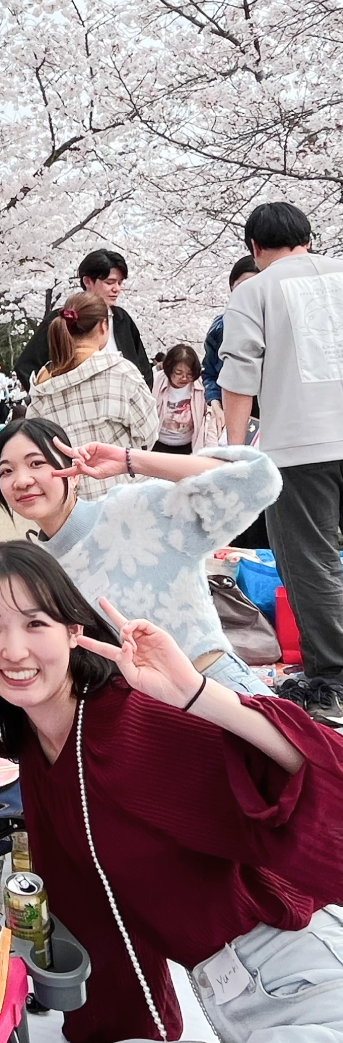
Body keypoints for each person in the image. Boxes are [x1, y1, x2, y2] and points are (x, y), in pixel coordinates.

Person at [0, 541, 343, 1043]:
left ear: (73, 630)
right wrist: (114, 1034)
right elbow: (89, 911)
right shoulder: (40, 752)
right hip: (229, 1014)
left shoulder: (130, 721)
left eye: (35, 622)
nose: (14, 649)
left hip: (309, 988)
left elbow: (306, 777)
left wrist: (196, 695)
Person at [0, 418, 280, 696]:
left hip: (215, 686)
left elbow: (256, 477)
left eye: (36, 463)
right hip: (138, 721)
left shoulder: (135, 509)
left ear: (75, 473)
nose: (22, 480)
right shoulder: (34, 571)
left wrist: (130, 460)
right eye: (6, 471)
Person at [220, 201, 343, 727]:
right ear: (309, 238)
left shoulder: (254, 289)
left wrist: (236, 450)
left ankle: (333, 671)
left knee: (310, 558)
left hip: (300, 446)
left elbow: (239, 373)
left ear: (254, 248)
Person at [24, 292, 158, 496]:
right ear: (103, 326)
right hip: (124, 493)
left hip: (69, 501)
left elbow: (35, 443)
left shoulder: (43, 384)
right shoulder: (120, 372)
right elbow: (149, 433)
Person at [15, 249, 154, 390]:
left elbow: (144, 369)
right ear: (87, 281)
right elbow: (26, 367)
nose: (117, 289)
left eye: (120, 282)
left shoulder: (122, 320)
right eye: (110, 282)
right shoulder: (64, 317)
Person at [202, 254, 259, 438]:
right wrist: (215, 402)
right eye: (242, 288)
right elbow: (209, 372)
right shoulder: (220, 329)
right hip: (236, 418)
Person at [152, 343, 209, 454]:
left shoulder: (201, 387)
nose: (184, 378)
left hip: (187, 445)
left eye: (190, 374)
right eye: (178, 373)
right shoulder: (155, 381)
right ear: (169, 369)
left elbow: (208, 420)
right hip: (157, 443)